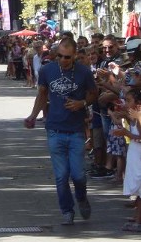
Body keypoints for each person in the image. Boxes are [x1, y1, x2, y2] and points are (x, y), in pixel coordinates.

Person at [24, 37, 98, 225]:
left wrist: (81, 103)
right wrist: (33, 115)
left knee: (78, 175)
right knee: (61, 175)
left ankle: (81, 197)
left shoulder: (83, 72)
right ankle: (67, 210)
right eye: (60, 57)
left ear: (74, 56)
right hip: (55, 129)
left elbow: (93, 93)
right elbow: (41, 94)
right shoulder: (47, 70)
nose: (63, 61)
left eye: (67, 57)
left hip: (76, 130)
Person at [112, 89, 141, 232]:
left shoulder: (139, 116)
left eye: (129, 100)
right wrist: (115, 115)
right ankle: (137, 218)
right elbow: (123, 119)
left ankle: (138, 221)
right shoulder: (135, 116)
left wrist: (125, 133)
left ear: (138, 103)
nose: (127, 103)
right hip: (135, 156)